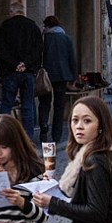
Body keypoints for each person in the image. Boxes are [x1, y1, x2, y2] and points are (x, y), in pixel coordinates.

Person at [0, 2, 44, 140]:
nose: (9, 14)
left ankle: (2, 135)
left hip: (9, 72)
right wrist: (25, 64)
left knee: (6, 104)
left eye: (10, 12)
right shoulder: (32, 26)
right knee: (27, 105)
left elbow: (1, 48)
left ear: (13, 12)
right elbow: (38, 49)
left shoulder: (5, 26)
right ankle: (27, 137)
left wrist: (14, 64)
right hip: (28, 72)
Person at [38, 16, 78, 145]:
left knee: (44, 103)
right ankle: (57, 135)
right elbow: (72, 59)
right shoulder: (66, 38)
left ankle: (44, 126)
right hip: (62, 75)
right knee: (59, 106)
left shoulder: (44, 39)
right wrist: (73, 77)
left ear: (47, 26)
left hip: (46, 76)